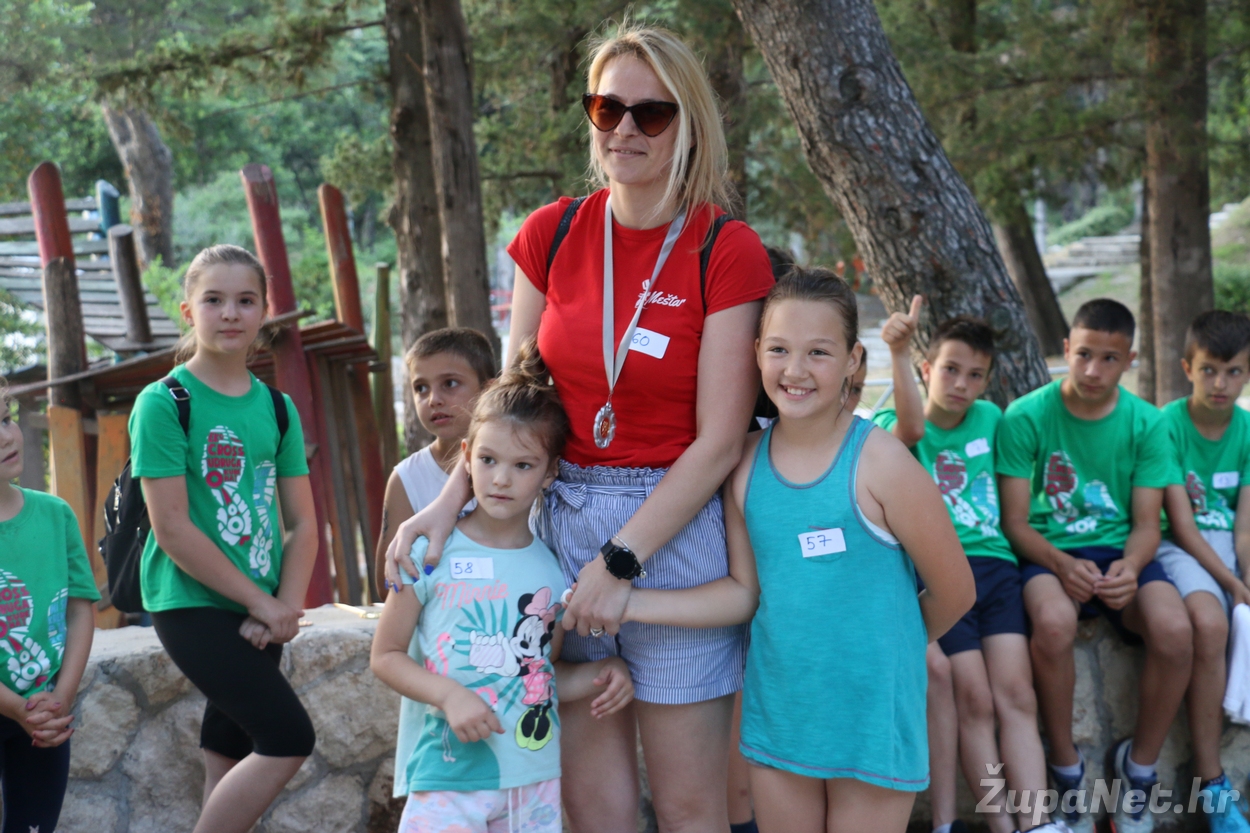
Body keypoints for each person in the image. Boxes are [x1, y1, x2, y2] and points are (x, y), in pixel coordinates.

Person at [386, 23, 775, 832]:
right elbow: (512, 405)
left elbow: (719, 438)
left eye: (650, 113)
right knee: (595, 812)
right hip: (561, 519)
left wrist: (621, 560)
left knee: (690, 808)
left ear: (689, 123)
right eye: (607, 108)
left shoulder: (725, 248)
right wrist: (447, 503)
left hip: (672, 525)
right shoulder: (553, 232)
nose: (625, 129)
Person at [623, 268, 976, 833]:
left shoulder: (882, 463)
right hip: (781, 718)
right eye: (780, 350)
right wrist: (631, 602)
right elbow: (744, 594)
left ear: (853, 360)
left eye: (818, 352)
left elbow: (955, 592)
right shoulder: (742, 464)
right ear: (756, 352)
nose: (795, 370)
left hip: (871, 720)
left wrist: (881, 653)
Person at [371, 341, 634, 833]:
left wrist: (604, 672)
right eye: (489, 459)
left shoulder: (555, 571)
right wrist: (449, 696)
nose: (501, 480)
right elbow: (385, 655)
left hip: (533, 783)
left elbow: (540, 673)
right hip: (448, 778)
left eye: (522, 465)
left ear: (550, 472)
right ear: (467, 457)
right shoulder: (428, 554)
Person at [129, 244, 319, 833]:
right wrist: (262, 603)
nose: (230, 313)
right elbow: (172, 528)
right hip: (192, 604)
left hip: (262, 607)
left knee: (228, 753)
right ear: (188, 311)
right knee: (288, 737)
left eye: (245, 300)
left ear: (264, 312)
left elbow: (303, 524)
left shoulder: (278, 408)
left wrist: (283, 606)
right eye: (214, 300)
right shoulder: (164, 404)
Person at [997, 298, 1193, 833]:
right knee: (1053, 623)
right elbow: (1015, 522)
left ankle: (1139, 768)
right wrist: (1060, 564)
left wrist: (1131, 566)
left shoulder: (1146, 422)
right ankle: (1066, 767)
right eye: (1083, 354)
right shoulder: (1025, 416)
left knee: (1176, 632)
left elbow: (1148, 524)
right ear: (1066, 349)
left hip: (1120, 554)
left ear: (1129, 360)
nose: (1092, 370)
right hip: (1049, 552)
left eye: (1109, 359)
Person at [874, 314, 1069, 833]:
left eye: (975, 374)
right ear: (926, 369)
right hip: (941, 574)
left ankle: (1037, 823)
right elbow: (913, 429)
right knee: (975, 701)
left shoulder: (990, 418)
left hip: (997, 570)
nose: (961, 384)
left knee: (1017, 695)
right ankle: (1002, 825)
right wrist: (897, 351)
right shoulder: (895, 422)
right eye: (950, 369)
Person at [1154, 310, 1250, 832]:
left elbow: (1245, 529)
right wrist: (1232, 583)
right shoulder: (1166, 425)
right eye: (1210, 370)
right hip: (1179, 548)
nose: (1221, 384)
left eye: (1234, 372)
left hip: (1228, 547)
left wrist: (1246, 576)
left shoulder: (1248, 430)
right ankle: (1212, 785)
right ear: (1187, 368)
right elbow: (1182, 526)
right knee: (1210, 625)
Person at [0, 378, 97, 833]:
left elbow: (80, 610)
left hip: (43, 716)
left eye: (5, 419)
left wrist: (60, 699)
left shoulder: (56, 515)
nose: (5, 437)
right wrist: (16, 708)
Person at [376, 328, 496, 599]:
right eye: (421, 388)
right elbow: (387, 586)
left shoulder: (521, 466)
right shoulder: (406, 478)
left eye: (450, 383)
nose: (433, 399)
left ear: (489, 388)